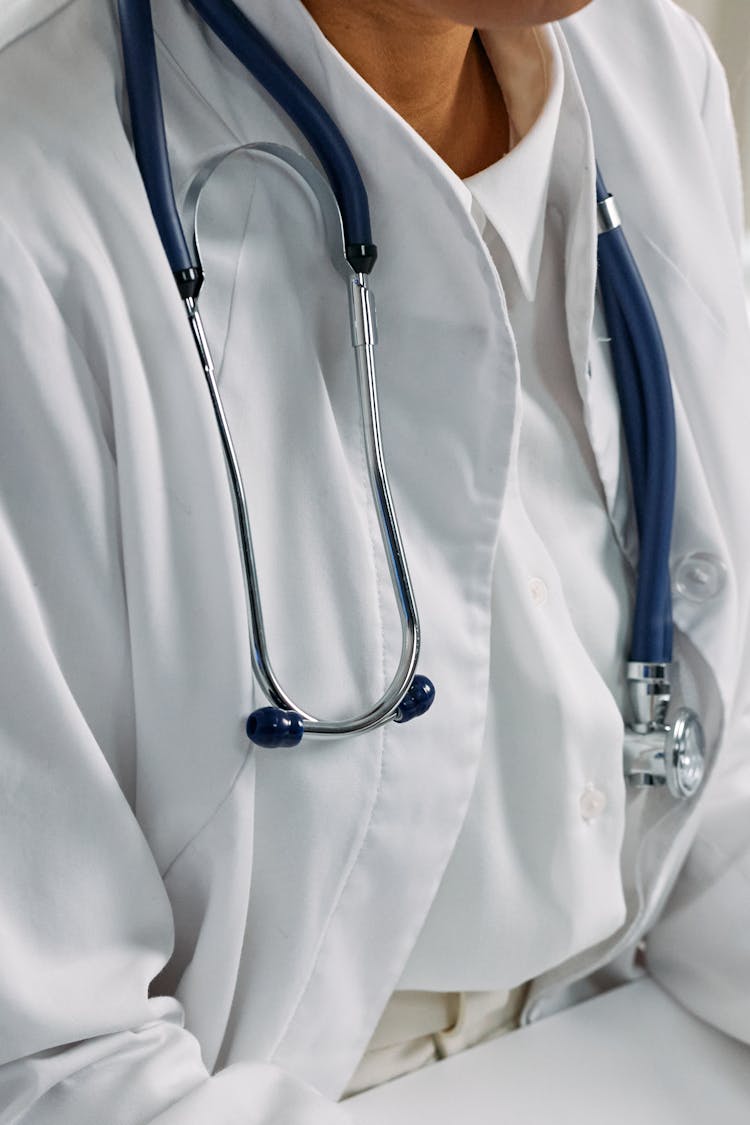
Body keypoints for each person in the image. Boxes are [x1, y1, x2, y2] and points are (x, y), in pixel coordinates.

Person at [1, 0, 749, 1120]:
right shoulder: (35, 225)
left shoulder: (645, 64)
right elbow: (49, 1058)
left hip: (620, 1024)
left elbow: (709, 788)